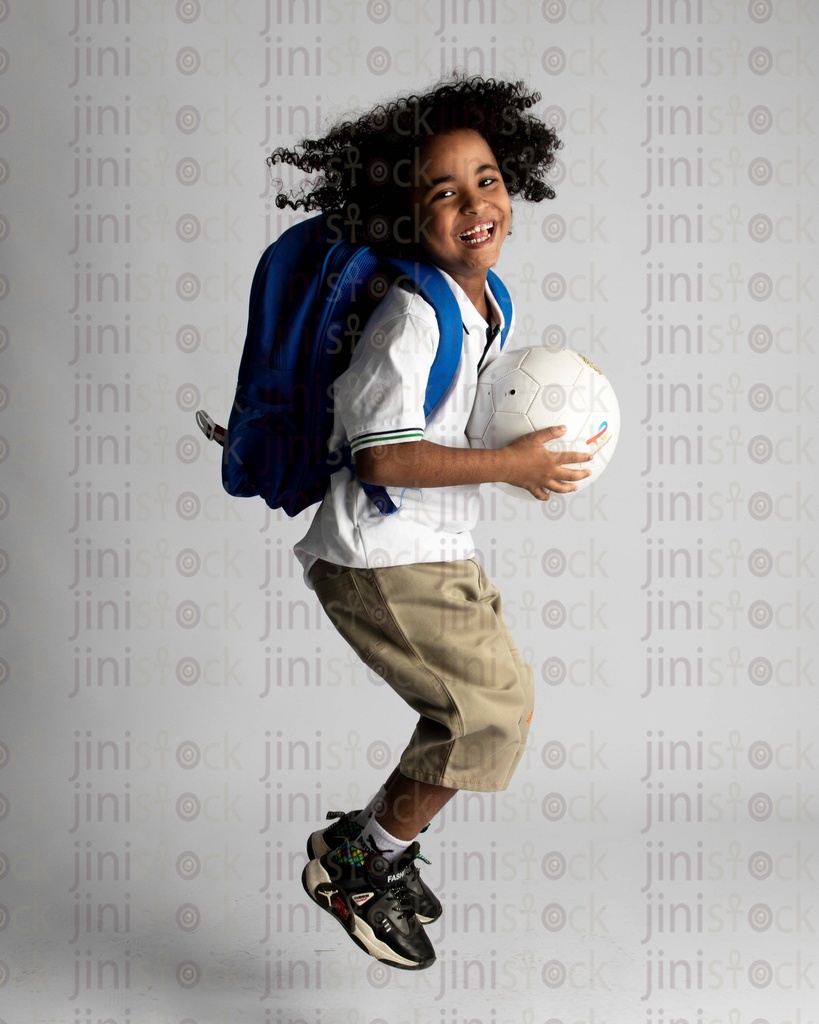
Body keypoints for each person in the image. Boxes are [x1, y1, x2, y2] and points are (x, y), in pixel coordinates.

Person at [269, 75, 593, 971]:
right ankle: (361, 865)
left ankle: (367, 845)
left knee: (496, 705)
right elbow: (382, 457)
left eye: (486, 180)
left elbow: (453, 426)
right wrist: (511, 466)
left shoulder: (491, 303)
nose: (473, 205)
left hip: (435, 545)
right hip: (379, 555)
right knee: (486, 714)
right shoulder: (412, 315)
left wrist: (536, 448)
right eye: (443, 193)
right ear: (405, 216)